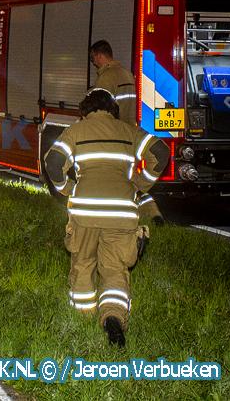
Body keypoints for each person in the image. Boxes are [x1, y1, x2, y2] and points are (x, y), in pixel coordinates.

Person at [43, 88, 168, 348]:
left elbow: (53, 162)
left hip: (85, 211)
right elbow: (161, 152)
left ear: (85, 110)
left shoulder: (77, 130)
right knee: (115, 269)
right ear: (113, 109)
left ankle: (82, 317)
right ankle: (113, 317)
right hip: (121, 212)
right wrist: (140, 184)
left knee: (83, 263)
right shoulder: (128, 131)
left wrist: (67, 189)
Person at [89, 40, 164, 224]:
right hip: (130, 135)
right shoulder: (127, 74)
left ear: (100, 55)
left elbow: (98, 109)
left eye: (94, 59)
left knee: (118, 181)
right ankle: (154, 213)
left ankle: (125, 215)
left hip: (113, 135)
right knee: (129, 179)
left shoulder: (106, 78)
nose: (94, 64)